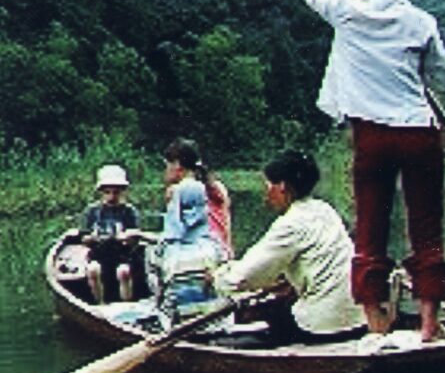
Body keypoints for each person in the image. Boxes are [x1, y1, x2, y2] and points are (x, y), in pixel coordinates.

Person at [284, 0, 445, 341]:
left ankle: (377, 324)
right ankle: (430, 324)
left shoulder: (347, 10)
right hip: (420, 133)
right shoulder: (421, 21)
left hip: (373, 137)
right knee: (427, 230)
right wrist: (414, 74)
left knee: (370, 229)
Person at [214, 150, 366, 344]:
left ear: (282, 187)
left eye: (268, 186)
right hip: (358, 317)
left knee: (267, 317)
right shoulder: (325, 210)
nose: (266, 195)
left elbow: (242, 278)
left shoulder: (291, 223)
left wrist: (218, 277)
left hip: (325, 325)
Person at [153, 138, 226, 322]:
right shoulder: (215, 246)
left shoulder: (165, 250)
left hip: (177, 320)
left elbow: (174, 230)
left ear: (177, 165)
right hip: (213, 317)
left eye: (167, 165)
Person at [82, 164, 141, 303]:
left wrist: (127, 239)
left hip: (122, 254)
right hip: (99, 253)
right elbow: (83, 237)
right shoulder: (92, 211)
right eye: (107, 192)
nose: (112, 196)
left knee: (123, 272)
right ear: (101, 192)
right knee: (93, 270)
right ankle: (100, 304)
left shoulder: (129, 211)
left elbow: (135, 240)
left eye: (116, 192)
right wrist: (91, 238)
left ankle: (127, 304)